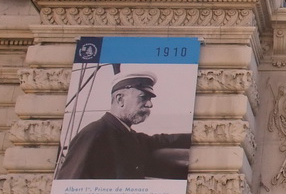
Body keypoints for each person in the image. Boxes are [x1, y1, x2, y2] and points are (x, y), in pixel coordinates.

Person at [55, 71, 191, 180]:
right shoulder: (94, 134)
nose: (150, 105)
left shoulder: (127, 135)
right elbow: (69, 184)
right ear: (120, 99)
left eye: (150, 99)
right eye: (143, 97)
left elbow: (158, 140)